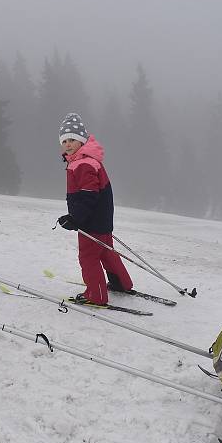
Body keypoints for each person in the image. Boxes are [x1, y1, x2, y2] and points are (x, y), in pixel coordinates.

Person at [56, 112, 133, 305]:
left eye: (72, 139)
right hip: (102, 221)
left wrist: (76, 219)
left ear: (82, 141)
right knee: (106, 252)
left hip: (91, 222)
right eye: (64, 140)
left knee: (89, 257)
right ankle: (121, 283)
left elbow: (88, 195)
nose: (68, 144)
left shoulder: (82, 164)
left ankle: (96, 295)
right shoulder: (88, 160)